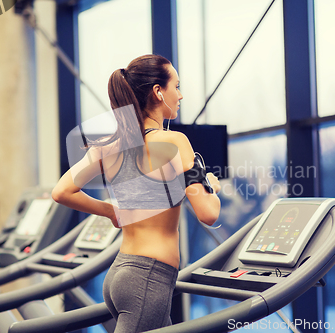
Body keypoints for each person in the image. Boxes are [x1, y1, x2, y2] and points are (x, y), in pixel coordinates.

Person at [51, 54, 221, 332]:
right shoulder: (175, 141)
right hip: (148, 278)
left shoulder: (111, 145)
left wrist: (111, 212)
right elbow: (209, 213)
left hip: (121, 272)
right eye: (176, 87)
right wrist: (210, 186)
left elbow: (62, 191)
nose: (180, 95)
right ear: (158, 91)